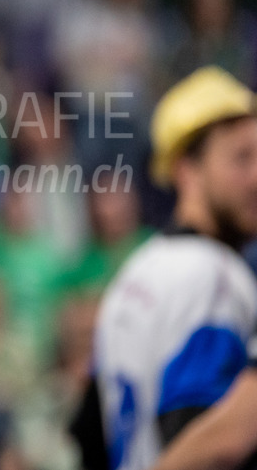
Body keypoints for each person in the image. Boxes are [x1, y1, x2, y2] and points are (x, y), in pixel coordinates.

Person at [83, 66, 257, 470]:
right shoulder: (216, 278)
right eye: (241, 158)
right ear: (185, 170)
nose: (256, 178)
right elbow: (206, 438)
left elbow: (87, 433)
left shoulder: (134, 272)